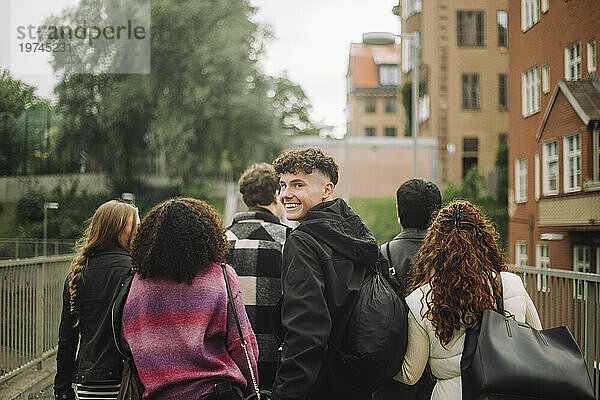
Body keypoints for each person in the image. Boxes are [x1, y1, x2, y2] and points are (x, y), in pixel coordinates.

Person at [394, 200, 542, 400]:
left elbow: (411, 375)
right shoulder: (511, 284)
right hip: (506, 390)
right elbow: (538, 340)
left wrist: (376, 365)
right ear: (484, 240)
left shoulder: (421, 299)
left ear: (434, 247)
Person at [121, 198, 259, 400]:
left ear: (150, 240)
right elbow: (242, 344)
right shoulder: (221, 276)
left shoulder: (137, 285)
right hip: (215, 392)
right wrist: (251, 390)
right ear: (205, 236)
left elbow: (129, 343)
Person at [271, 147, 379, 400]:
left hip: (320, 384)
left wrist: (286, 393)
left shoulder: (302, 243)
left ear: (327, 190)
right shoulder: (358, 234)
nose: (286, 194)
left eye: (298, 185)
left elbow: (306, 330)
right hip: (357, 380)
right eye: (283, 185)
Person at [54, 200, 140, 400]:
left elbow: (67, 338)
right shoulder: (136, 271)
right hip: (128, 381)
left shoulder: (77, 274)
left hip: (89, 382)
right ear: (121, 231)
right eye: (136, 226)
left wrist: (63, 390)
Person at [374, 179, 440, 400]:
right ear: (438, 214)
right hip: (441, 365)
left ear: (399, 212)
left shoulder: (382, 255)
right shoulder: (451, 257)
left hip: (395, 366)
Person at [226, 163, 291, 390]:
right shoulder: (289, 240)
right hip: (277, 361)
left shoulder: (219, 240)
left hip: (230, 361)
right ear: (276, 195)